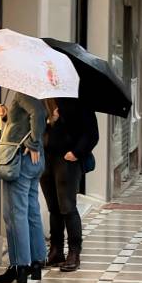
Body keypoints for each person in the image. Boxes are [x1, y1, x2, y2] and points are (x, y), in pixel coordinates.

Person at [0, 92, 47, 283]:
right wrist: (6, 115)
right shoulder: (34, 92)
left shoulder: (23, 92)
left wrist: (32, 143)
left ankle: (19, 266)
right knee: (31, 212)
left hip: (21, 161)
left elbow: (39, 114)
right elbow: (28, 119)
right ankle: (36, 263)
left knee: (15, 214)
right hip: (33, 162)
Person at [40, 98, 99, 272]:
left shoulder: (79, 100)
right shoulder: (44, 98)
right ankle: (56, 251)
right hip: (46, 158)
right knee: (53, 208)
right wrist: (51, 121)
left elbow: (92, 134)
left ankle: (74, 253)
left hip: (67, 160)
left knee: (67, 206)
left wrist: (76, 152)